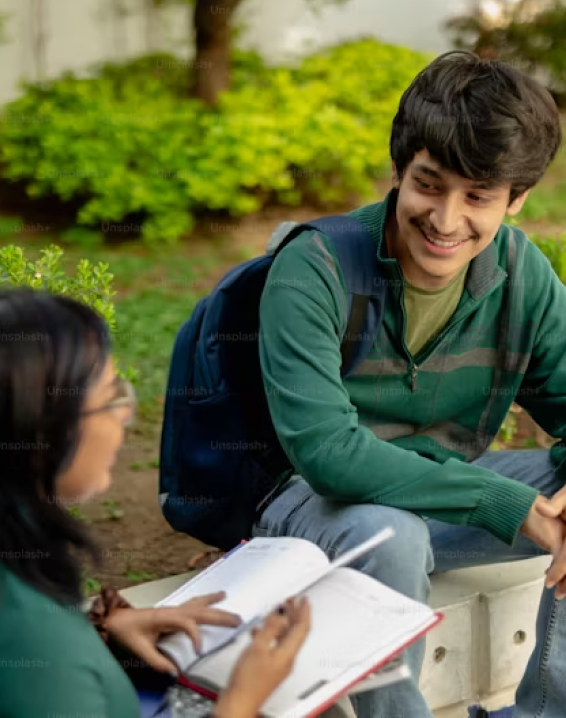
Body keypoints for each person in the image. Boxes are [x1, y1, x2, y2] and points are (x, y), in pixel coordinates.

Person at [256, 50, 566, 718]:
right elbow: (327, 452)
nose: (444, 219)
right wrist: (503, 501)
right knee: (393, 536)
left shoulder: (521, 277)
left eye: (478, 198)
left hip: (439, 494)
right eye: (429, 185)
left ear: (516, 199)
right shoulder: (313, 266)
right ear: (400, 171)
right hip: (311, 506)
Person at [0, 287, 324, 718]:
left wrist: (102, 631)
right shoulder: (32, 643)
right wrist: (242, 702)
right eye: (110, 395)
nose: (125, 415)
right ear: (42, 429)